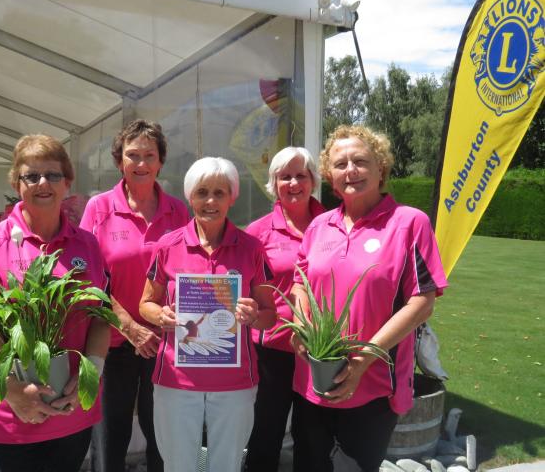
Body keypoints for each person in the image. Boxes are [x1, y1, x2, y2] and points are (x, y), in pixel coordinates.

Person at [290, 125, 448, 472]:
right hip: (311, 381)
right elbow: (300, 284)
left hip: (374, 383)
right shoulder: (319, 227)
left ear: (381, 168)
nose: (351, 170)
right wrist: (301, 326)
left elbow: (422, 301)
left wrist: (362, 360)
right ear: (330, 176)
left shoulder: (409, 223)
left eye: (360, 161)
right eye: (341, 163)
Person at [0, 135, 111, 472]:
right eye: (32, 176)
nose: (43, 183)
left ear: (67, 183)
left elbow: (100, 318)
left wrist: (90, 376)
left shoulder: (86, 245)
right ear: (17, 184)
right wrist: (14, 391)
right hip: (10, 412)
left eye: (53, 175)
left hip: (70, 408)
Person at [139, 157, 277, 472]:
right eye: (202, 192)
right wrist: (161, 316)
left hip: (235, 381)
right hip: (177, 379)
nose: (210, 201)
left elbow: (271, 314)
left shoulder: (252, 249)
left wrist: (254, 315)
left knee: (226, 466)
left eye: (219, 192)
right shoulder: (167, 246)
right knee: (178, 465)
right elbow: (145, 302)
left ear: (232, 197)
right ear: (190, 197)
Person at [80, 119, 189, 472]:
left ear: (160, 162)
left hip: (164, 344)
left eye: (149, 156)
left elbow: (187, 272)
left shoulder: (178, 211)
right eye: (132, 155)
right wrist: (128, 326)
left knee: (163, 438)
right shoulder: (99, 209)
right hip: (111, 341)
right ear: (119, 161)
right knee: (111, 438)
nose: (141, 164)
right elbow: (84, 276)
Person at [243, 147, 325, 472]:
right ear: (273, 183)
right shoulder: (258, 232)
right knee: (265, 433)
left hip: (319, 349)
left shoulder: (333, 224)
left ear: (313, 180)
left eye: (300, 175)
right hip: (271, 350)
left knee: (313, 435)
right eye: (284, 176)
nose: (293, 183)